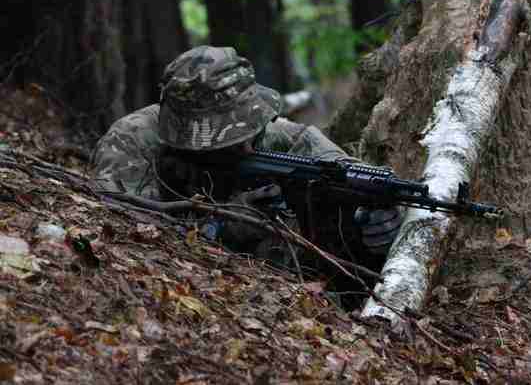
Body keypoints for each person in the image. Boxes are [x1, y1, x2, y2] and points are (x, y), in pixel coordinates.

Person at [91, 46, 402, 266]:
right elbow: (127, 243)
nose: (248, 149)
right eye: (226, 140)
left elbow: (351, 176)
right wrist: (221, 226)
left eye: (250, 131)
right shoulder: (132, 142)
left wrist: (383, 228)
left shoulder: (284, 140)